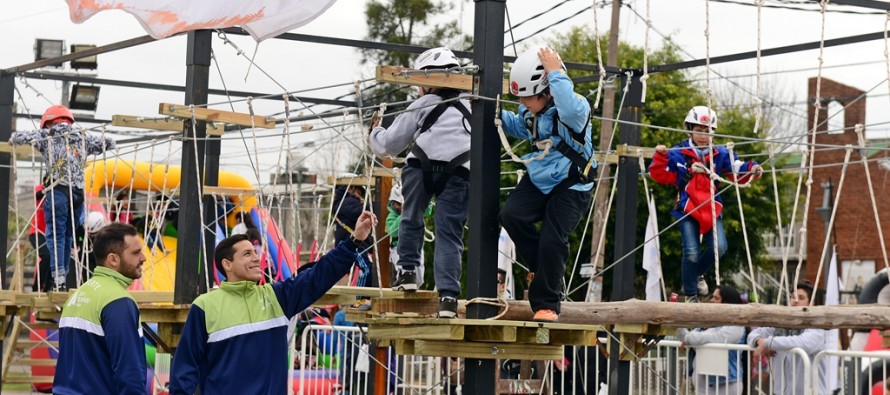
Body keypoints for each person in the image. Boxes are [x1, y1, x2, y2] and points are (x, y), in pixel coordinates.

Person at [169, 211, 377, 395]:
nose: (256, 258)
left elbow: (318, 276)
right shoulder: (205, 306)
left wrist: (354, 240)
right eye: (247, 253)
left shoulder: (275, 296)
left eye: (255, 252)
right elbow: (185, 367)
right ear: (227, 264)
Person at [369, 47, 471, 318]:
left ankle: (408, 272)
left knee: (411, 218)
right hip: (460, 171)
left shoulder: (422, 105)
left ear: (428, 78)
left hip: (420, 166)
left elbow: (389, 145)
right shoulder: (475, 103)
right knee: (450, 233)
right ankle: (448, 297)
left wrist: (375, 133)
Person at [498, 47, 595, 322]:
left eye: (528, 96)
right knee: (510, 215)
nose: (524, 102)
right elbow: (519, 125)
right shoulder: (531, 112)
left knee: (553, 239)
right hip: (540, 178)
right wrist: (492, 112)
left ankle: (547, 303)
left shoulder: (574, 110)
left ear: (548, 90)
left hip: (571, 183)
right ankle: (543, 270)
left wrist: (555, 72)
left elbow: (569, 103)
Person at [649, 106, 762, 303]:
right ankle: (690, 294)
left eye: (708, 131)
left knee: (720, 247)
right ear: (689, 129)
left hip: (710, 206)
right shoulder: (678, 152)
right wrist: (660, 156)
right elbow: (661, 175)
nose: (703, 136)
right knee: (691, 251)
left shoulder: (720, 153)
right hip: (688, 206)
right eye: (699, 131)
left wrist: (752, 169)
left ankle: (696, 275)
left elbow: (736, 168)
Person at [10, 105, 116, 290]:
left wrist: (13, 139)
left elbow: (21, 137)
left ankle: (58, 277)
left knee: (56, 234)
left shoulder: (48, 136)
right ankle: (64, 275)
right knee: (68, 234)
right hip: (77, 193)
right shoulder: (82, 137)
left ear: (49, 122)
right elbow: (108, 142)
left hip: (58, 189)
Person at [53, 223, 147, 394]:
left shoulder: (77, 296)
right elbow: (129, 373)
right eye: (135, 253)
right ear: (113, 259)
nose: (143, 258)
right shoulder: (118, 301)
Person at [747, 281, 831, 395]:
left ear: (812, 303)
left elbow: (803, 342)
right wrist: (759, 341)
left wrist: (768, 343)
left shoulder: (818, 327)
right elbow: (753, 334)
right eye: (792, 297)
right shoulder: (780, 324)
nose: (795, 301)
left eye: (801, 298)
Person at [678, 285, 747, 395]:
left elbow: (715, 338)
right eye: (712, 297)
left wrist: (689, 339)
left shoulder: (736, 326)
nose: (712, 300)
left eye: (716, 298)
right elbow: (692, 337)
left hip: (727, 384)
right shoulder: (706, 324)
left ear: (727, 302)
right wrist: (678, 324)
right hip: (702, 383)